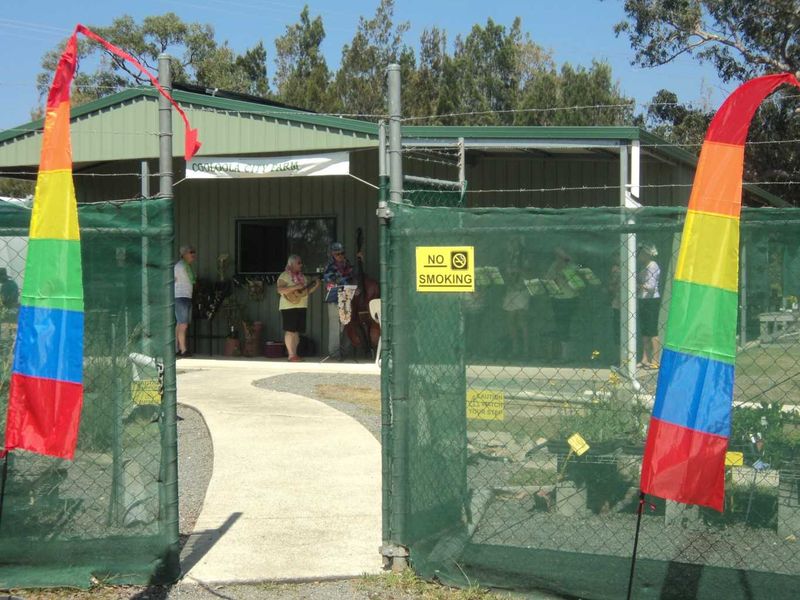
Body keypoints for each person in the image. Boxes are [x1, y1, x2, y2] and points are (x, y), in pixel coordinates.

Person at [277, 254, 320, 362]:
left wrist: (315, 286)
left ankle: (294, 354)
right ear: (291, 264)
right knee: (290, 331)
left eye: (301, 262)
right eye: (299, 263)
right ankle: (291, 355)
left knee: (296, 332)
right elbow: (280, 290)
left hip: (301, 306)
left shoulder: (302, 277)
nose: (301, 265)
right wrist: (295, 286)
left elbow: (305, 292)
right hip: (288, 307)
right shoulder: (284, 275)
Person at [321, 242, 361, 357]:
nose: (341, 256)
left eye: (342, 253)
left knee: (345, 324)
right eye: (338, 254)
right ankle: (334, 353)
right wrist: (345, 283)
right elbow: (330, 280)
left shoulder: (347, 263)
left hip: (346, 296)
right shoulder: (329, 265)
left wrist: (355, 286)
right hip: (335, 298)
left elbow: (354, 276)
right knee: (335, 326)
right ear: (332, 254)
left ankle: (343, 352)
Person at [637, 243, 661, 369]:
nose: (638, 255)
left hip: (651, 300)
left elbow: (651, 287)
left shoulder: (652, 266)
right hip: (643, 299)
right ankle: (645, 359)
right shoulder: (643, 266)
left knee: (652, 331)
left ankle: (656, 360)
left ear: (647, 254)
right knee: (645, 331)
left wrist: (638, 285)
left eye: (641, 253)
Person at [174, 245, 196, 358]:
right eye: (191, 252)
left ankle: (177, 348)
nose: (193, 255)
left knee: (180, 323)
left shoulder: (187, 267)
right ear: (184, 254)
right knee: (183, 324)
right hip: (180, 297)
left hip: (186, 296)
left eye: (194, 252)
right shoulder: (179, 267)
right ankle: (183, 350)